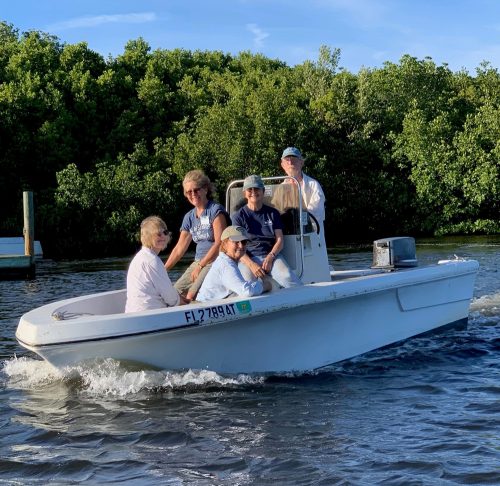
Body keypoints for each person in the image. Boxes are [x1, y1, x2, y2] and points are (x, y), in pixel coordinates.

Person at [165, 170, 228, 301]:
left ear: (205, 189)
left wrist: (200, 266)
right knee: (174, 293)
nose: (193, 194)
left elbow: (219, 244)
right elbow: (178, 250)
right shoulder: (189, 217)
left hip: (216, 261)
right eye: (189, 192)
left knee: (191, 294)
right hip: (198, 262)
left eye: (196, 190)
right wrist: (162, 270)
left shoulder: (215, 211)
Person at [231, 174, 302, 288]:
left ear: (263, 191)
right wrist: (251, 264)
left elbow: (280, 240)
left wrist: (270, 257)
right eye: (250, 189)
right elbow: (236, 248)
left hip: (271, 256)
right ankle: (265, 292)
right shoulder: (238, 217)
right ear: (245, 193)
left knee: (287, 276)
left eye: (257, 189)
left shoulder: (273, 213)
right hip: (247, 258)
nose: (253, 192)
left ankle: (302, 297)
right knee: (248, 282)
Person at [125, 216, 186, 313]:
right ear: (147, 236)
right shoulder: (152, 260)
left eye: (165, 232)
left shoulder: (140, 257)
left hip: (135, 313)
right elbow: (170, 297)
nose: (163, 236)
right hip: (151, 314)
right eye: (158, 234)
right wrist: (182, 301)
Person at [197, 226, 271, 302]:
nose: (241, 246)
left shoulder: (225, 260)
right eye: (236, 242)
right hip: (207, 305)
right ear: (224, 244)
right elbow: (246, 291)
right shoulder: (226, 264)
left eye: (244, 242)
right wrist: (264, 286)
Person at [280, 147, 326, 233]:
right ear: (282, 165)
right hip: (288, 237)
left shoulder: (314, 185)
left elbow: (316, 213)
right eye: (287, 160)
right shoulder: (280, 188)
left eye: (294, 159)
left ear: (301, 162)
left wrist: (294, 218)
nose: (290, 162)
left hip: (312, 237)